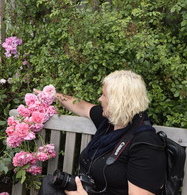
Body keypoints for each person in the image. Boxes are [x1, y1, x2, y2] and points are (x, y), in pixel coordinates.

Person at [34, 70, 166, 195]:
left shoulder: (145, 144)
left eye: (104, 95)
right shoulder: (110, 122)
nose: (99, 99)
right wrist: (51, 95)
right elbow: (83, 107)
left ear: (118, 101)